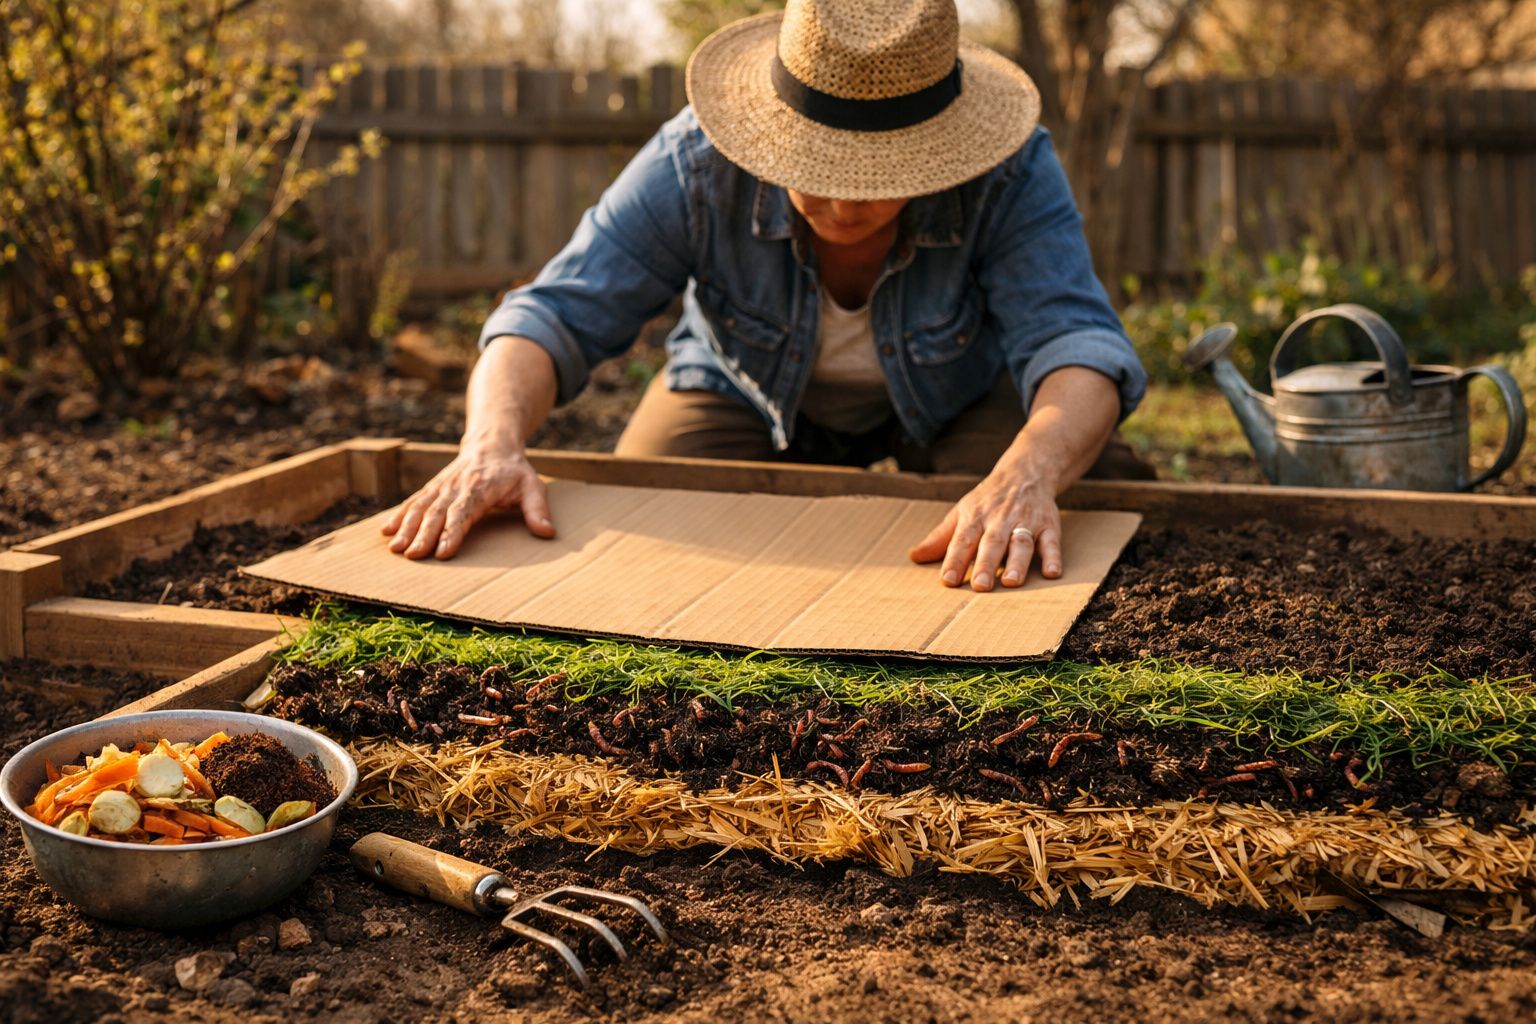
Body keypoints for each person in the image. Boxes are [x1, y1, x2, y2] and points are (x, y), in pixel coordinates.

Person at [383, 0, 1152, 593]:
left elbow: (1074, 343)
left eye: (880, 177)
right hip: (739, 389)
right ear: (772, 131)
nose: (846, 208)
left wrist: (1029, 475)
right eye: (819, 169)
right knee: (644, 534)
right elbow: (552, 314)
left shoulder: (1009, 172)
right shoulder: (691, 164)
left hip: (961, 400)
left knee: (1067, 532)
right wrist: (490, 446)